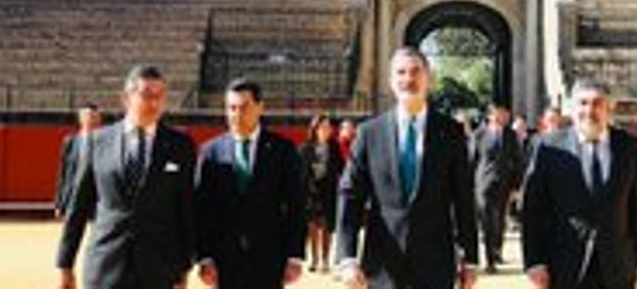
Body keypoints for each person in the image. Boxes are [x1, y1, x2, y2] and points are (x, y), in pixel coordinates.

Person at [335, 46, 479, 289]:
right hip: (383, 264)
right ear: (391, 81)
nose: (408, 79)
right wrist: (347, 258)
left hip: (435, 264)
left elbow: (463, 196)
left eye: (415, 72)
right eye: (400, 73)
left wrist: (471, 259)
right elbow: (350, 194)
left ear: (428, 78)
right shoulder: (369, 133)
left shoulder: (451, 132)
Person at [56, 65, 198, 289]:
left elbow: (186, 208)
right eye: (146, 95)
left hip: (159, 268)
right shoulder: (97, 141)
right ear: (126, 98)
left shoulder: (180, 145)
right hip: (106, 264)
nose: (153, 103)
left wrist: (184, 267)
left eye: (159, 96)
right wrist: (65, 264)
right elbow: (79, 205)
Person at [522, 80, 637, 289]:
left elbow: (636, 206)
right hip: (564, 265)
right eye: (583, 103)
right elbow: (532, 209)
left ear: (609, 108)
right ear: (572, 109)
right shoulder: (548, 147)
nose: (589, 110)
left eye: (597, 103)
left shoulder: (630, 147)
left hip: (617, 266)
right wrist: (534, 261)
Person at [195, 78, 306, 289]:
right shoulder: (211, 153)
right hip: (224, 259)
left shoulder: (282, 150)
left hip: (270, 258)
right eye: (231, 108)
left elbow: (296, 204)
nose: (237, 114)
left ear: (260, 107)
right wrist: (205, 257)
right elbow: (202, 208)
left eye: (244, 107)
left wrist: (294, 256)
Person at [471, 103, 525, 273]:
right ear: (490, 115)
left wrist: (516, 186)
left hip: (504, 183)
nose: (503, 117)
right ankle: (489, 260)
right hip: (483, 184)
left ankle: (496, 250)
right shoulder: (479, 134)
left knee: (500, 219)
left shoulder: (510, 135)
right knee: (487, 221)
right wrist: (468, 185)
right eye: (499, 114)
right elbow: (471, 160)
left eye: (505, 114)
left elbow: (517, 161)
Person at [301, 113, 345, 273]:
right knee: (312, 226)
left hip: (329, 191)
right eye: (323, 127)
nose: (327, 130)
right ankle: (314, 259)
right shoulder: (305, 148)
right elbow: (300, 173)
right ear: (315, 128)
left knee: (327, 227)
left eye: (329, 127)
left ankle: (326, 260)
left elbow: (342, 168)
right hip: (311, 192)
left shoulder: (334, 147)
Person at [54, 103, 101, 220]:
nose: (90, 119)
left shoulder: (107, 140)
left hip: (97, 196)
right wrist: (59, 202)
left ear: (99, 119)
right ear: (80, 118)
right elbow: (64, 173)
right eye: (87, 116)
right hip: (74, 194)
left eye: (94, 116)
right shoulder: (70, 141)